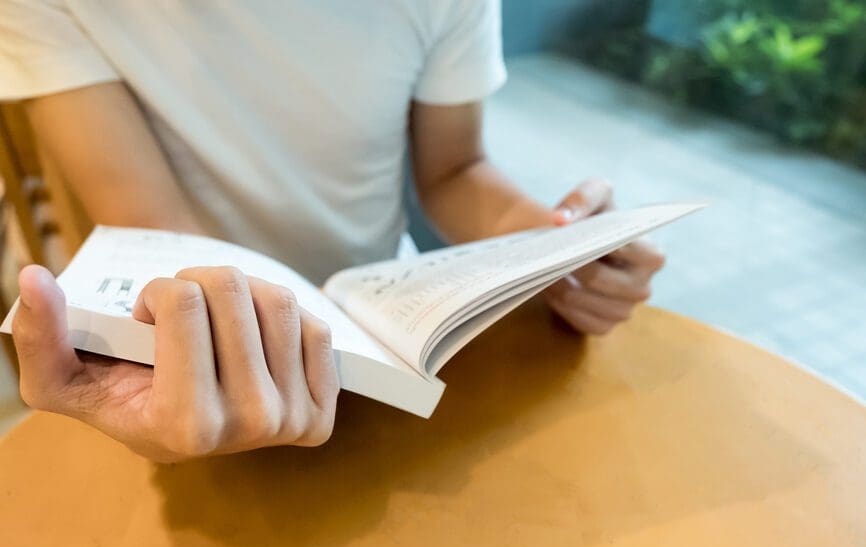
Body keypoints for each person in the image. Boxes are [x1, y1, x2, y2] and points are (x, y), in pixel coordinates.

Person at [0, 1, 666, 461]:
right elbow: (157, 230)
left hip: (385, 315)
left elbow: (454, 169)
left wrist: (554, 248)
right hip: (206, 344)